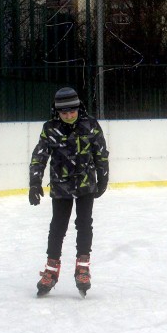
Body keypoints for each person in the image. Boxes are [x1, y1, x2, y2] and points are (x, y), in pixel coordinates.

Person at [29, 87, 109, 297]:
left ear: (78, 108)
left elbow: (100, 151)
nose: (68, 116)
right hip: (61, 185)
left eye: (71, 111)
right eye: (63, 113)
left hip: (85, 184)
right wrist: (35, 182)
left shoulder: (90, 125)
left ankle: (82, 266)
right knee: (58, 226)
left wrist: (103, 176)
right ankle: (51, 269)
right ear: (57, 112)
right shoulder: (50, 128)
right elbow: (39, 155)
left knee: (84, 223)